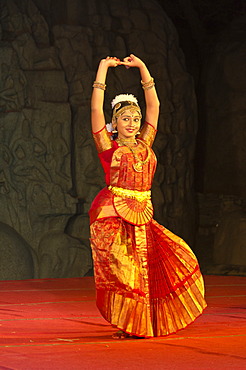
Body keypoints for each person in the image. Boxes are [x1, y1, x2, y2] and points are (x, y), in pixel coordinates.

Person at [90, 54, 207, 339]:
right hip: (112, 214)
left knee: (160, 262)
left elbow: (154, 105)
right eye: (125, 119)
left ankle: (142, 323)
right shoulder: (108, 147)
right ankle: (129, 323)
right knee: (125, 270)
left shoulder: (146, 143)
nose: (132, 123)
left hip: (142, 211)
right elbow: (95, 108)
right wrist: (103, 70)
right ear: (114, 123)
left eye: (135, 118)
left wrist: (143, 69)